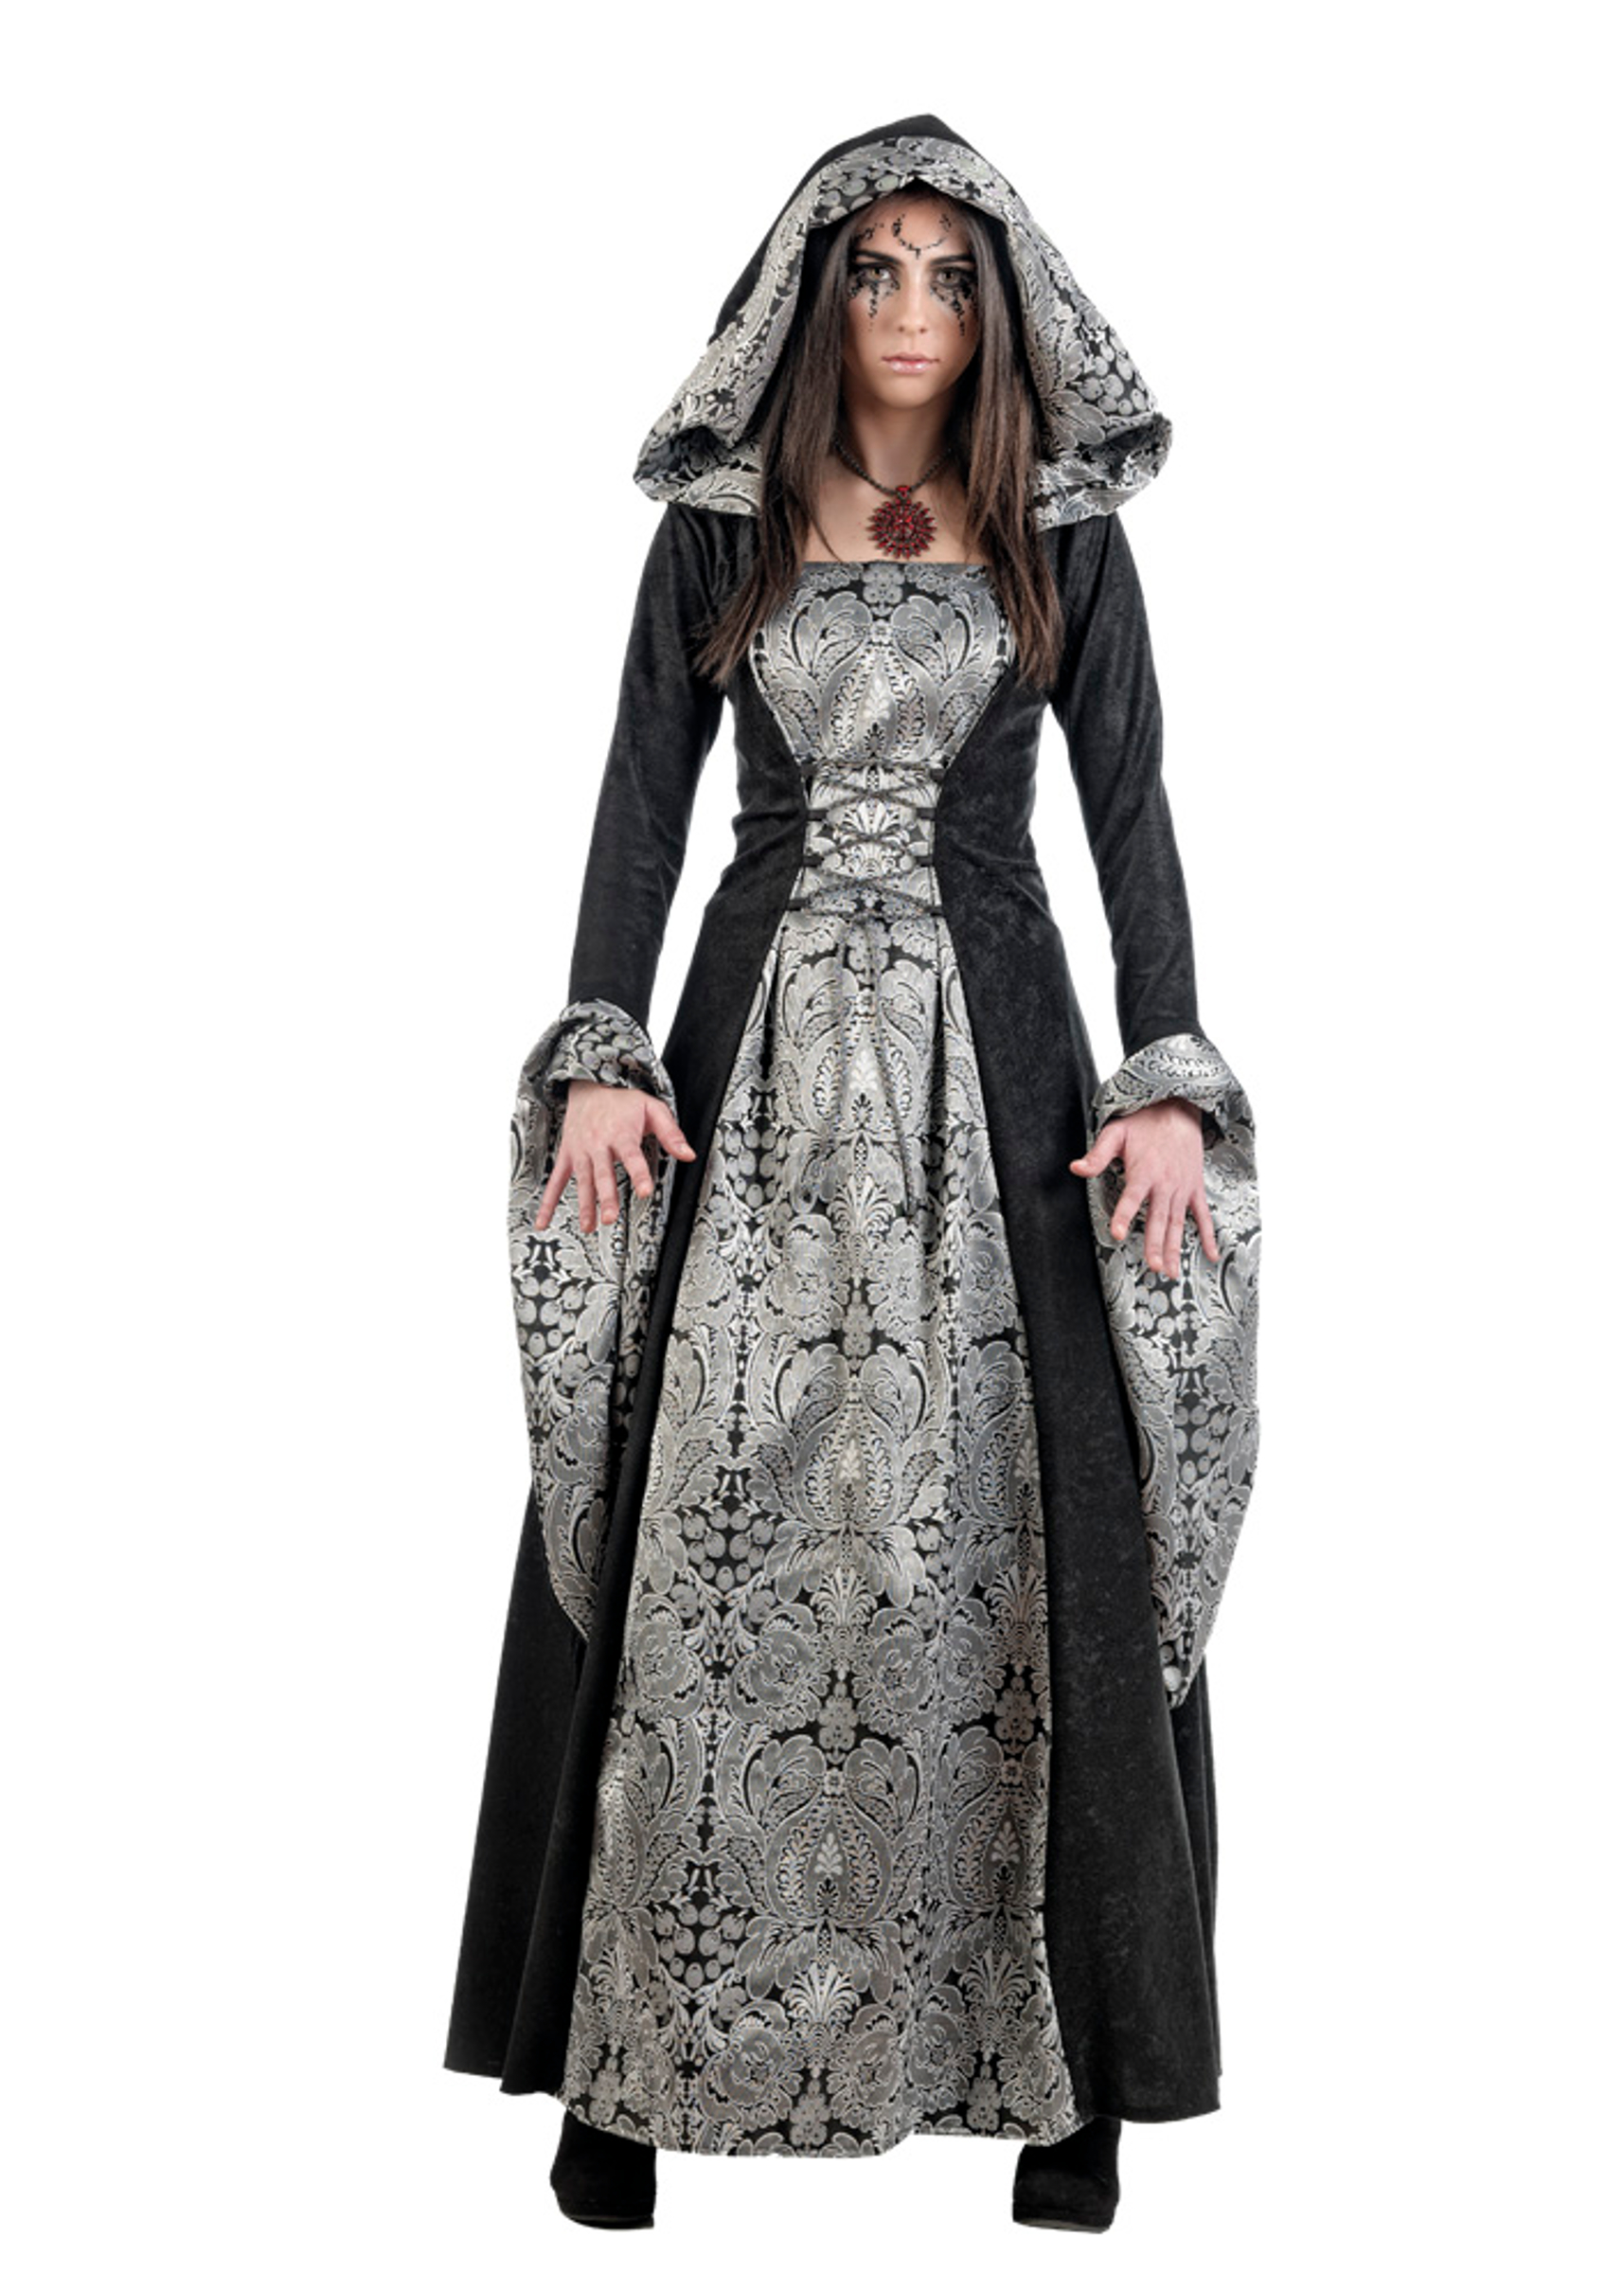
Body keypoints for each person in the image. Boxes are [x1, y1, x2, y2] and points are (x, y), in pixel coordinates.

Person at [442, 114, 1262, 2234]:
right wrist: (602, 1046)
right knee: (700, 1515)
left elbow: (1133, 815)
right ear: (817, 295)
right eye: (875, 268)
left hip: (1002, 1064)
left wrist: (1165, 1074)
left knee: (1027, 1521)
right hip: (750, 1055)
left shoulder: (1058, 530)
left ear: (1002, 308)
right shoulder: (721, 526)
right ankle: (629, 2070)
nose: (910, 308)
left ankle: (1065, 2073)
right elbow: (640, 802)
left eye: (948, 274)